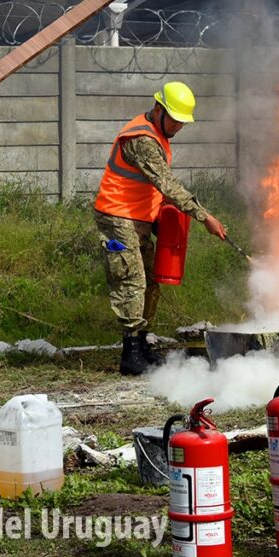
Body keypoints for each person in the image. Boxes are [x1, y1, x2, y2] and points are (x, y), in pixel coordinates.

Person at [93, 81, 227, 376]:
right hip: (117, 217)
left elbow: (153, 187)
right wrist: (205, 217)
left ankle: (142, 345)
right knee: (132, 281)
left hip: (138, 218)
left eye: (182, 123)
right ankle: (130, 355)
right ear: (158, 109)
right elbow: (167, 184)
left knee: (151, 280)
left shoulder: (159, 135)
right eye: (174, 120)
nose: (178, 127)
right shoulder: (142, 139)